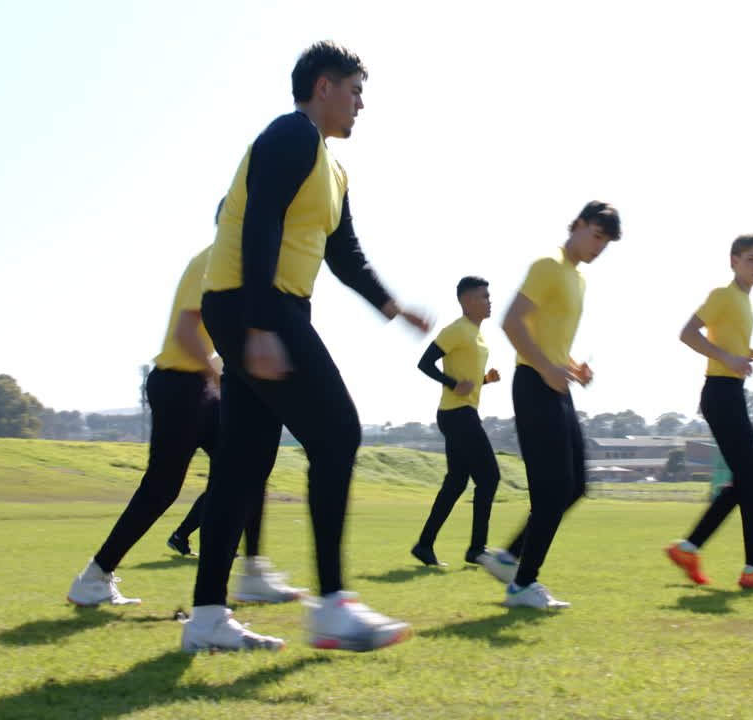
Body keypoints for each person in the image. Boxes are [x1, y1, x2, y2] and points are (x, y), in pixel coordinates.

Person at [180, 41, 430, 653]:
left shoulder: (332, 168)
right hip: (251, 303)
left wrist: (390, 306)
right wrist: (262, 327)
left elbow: (344, 253)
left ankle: (208, 616)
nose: (361, 105)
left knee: (242, 463)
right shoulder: (289, 136)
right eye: (355, 91)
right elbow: (259, 220)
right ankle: (333, 605)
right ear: (323, 86)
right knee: (338, 432)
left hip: (262, 306)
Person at [67, 241, 301, 609]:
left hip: (196, 387)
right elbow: (185, 333)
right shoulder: (215, 258)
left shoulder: (234, 262)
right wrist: (218, 376)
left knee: (248, 469)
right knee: (162, 489)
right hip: (181, 384)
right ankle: (94, 577)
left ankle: (253, 572)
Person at [477, 201, 620, 609]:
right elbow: (512, 321)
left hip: (556, 384)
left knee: (575, 486)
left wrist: (573, 367)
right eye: (596, 235)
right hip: (534, 384)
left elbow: (548, 335)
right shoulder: (548, 265)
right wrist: (546, 368)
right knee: (553, 491)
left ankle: (509, 558)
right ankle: (523, 585)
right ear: (576, 225)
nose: (598, 247)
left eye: (606, 243)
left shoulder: (578, 278)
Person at [664, 234, 753, 589]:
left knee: (747, 481)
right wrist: (727, 358)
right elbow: (687, 333)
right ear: (733, 261)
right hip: (720, 394)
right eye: (751, 259)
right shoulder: (723, 295)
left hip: (731, 393)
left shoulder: (743, 302)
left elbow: (740, 353)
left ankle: (690, 548)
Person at [410, 276, 501, 567]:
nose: (489, 301)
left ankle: (424, 545)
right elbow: (425, 363)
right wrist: (450, 382)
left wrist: (484, 381)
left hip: (462, 412)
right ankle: (477, 549)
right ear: (466, 301)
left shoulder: (478, 335)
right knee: (489, 476)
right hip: (456, 414)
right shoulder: (457, 330)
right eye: (484, 296)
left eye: (489, 296)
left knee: (456, 482)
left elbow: (468, 383)